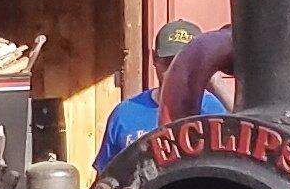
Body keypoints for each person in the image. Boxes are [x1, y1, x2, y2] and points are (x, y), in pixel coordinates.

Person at [97, 18, 230, 165]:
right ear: (154, 58)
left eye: (186, 63)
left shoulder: (216, 111)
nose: (175, 71)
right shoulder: (125, 114)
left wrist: (217, 83)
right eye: (168, 62)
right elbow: (106, 177)